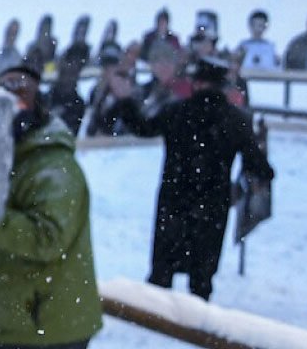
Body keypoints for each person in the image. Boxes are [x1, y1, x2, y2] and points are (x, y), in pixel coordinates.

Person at [107, 56, 275, 301]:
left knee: (162, 273)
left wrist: (125, 100)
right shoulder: (236, 120)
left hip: (175, 199)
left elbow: (143, 127)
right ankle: (198, 328)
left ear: (196, 83)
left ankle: (156, 322)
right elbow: (260, 168)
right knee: (202, 279)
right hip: (212, 205)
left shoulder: (177, 111)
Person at [0, 65, 103, 348]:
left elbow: (47, 238)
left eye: (18, 101)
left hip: (48, 326)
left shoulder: (54, 165)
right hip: (17, 319)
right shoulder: (9, 160)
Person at [45, 50, 87, 136]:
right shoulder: (45, 99)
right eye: (64, 73)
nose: (68, 78)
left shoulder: (79, 104)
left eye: (72, 73)